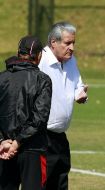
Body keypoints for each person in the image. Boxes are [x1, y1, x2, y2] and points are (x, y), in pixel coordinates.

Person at [38, 21, 88, 190]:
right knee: (41, 183)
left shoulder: (71, 61)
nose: (72, 47)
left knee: (61, 181)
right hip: (42, 136)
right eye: (67, 43)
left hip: (60, 136)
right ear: (53, 42)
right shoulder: (40, 60)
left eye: (73, 43)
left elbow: (78, 84)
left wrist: (80, 94)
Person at [0, 35, 52, 190]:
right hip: (32, 149)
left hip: (4, 149)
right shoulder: (42, 79)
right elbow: (39, 117)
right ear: (39, 56)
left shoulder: (2, 78)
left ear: (18, 52)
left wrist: (3, 141)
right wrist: (18, 142)